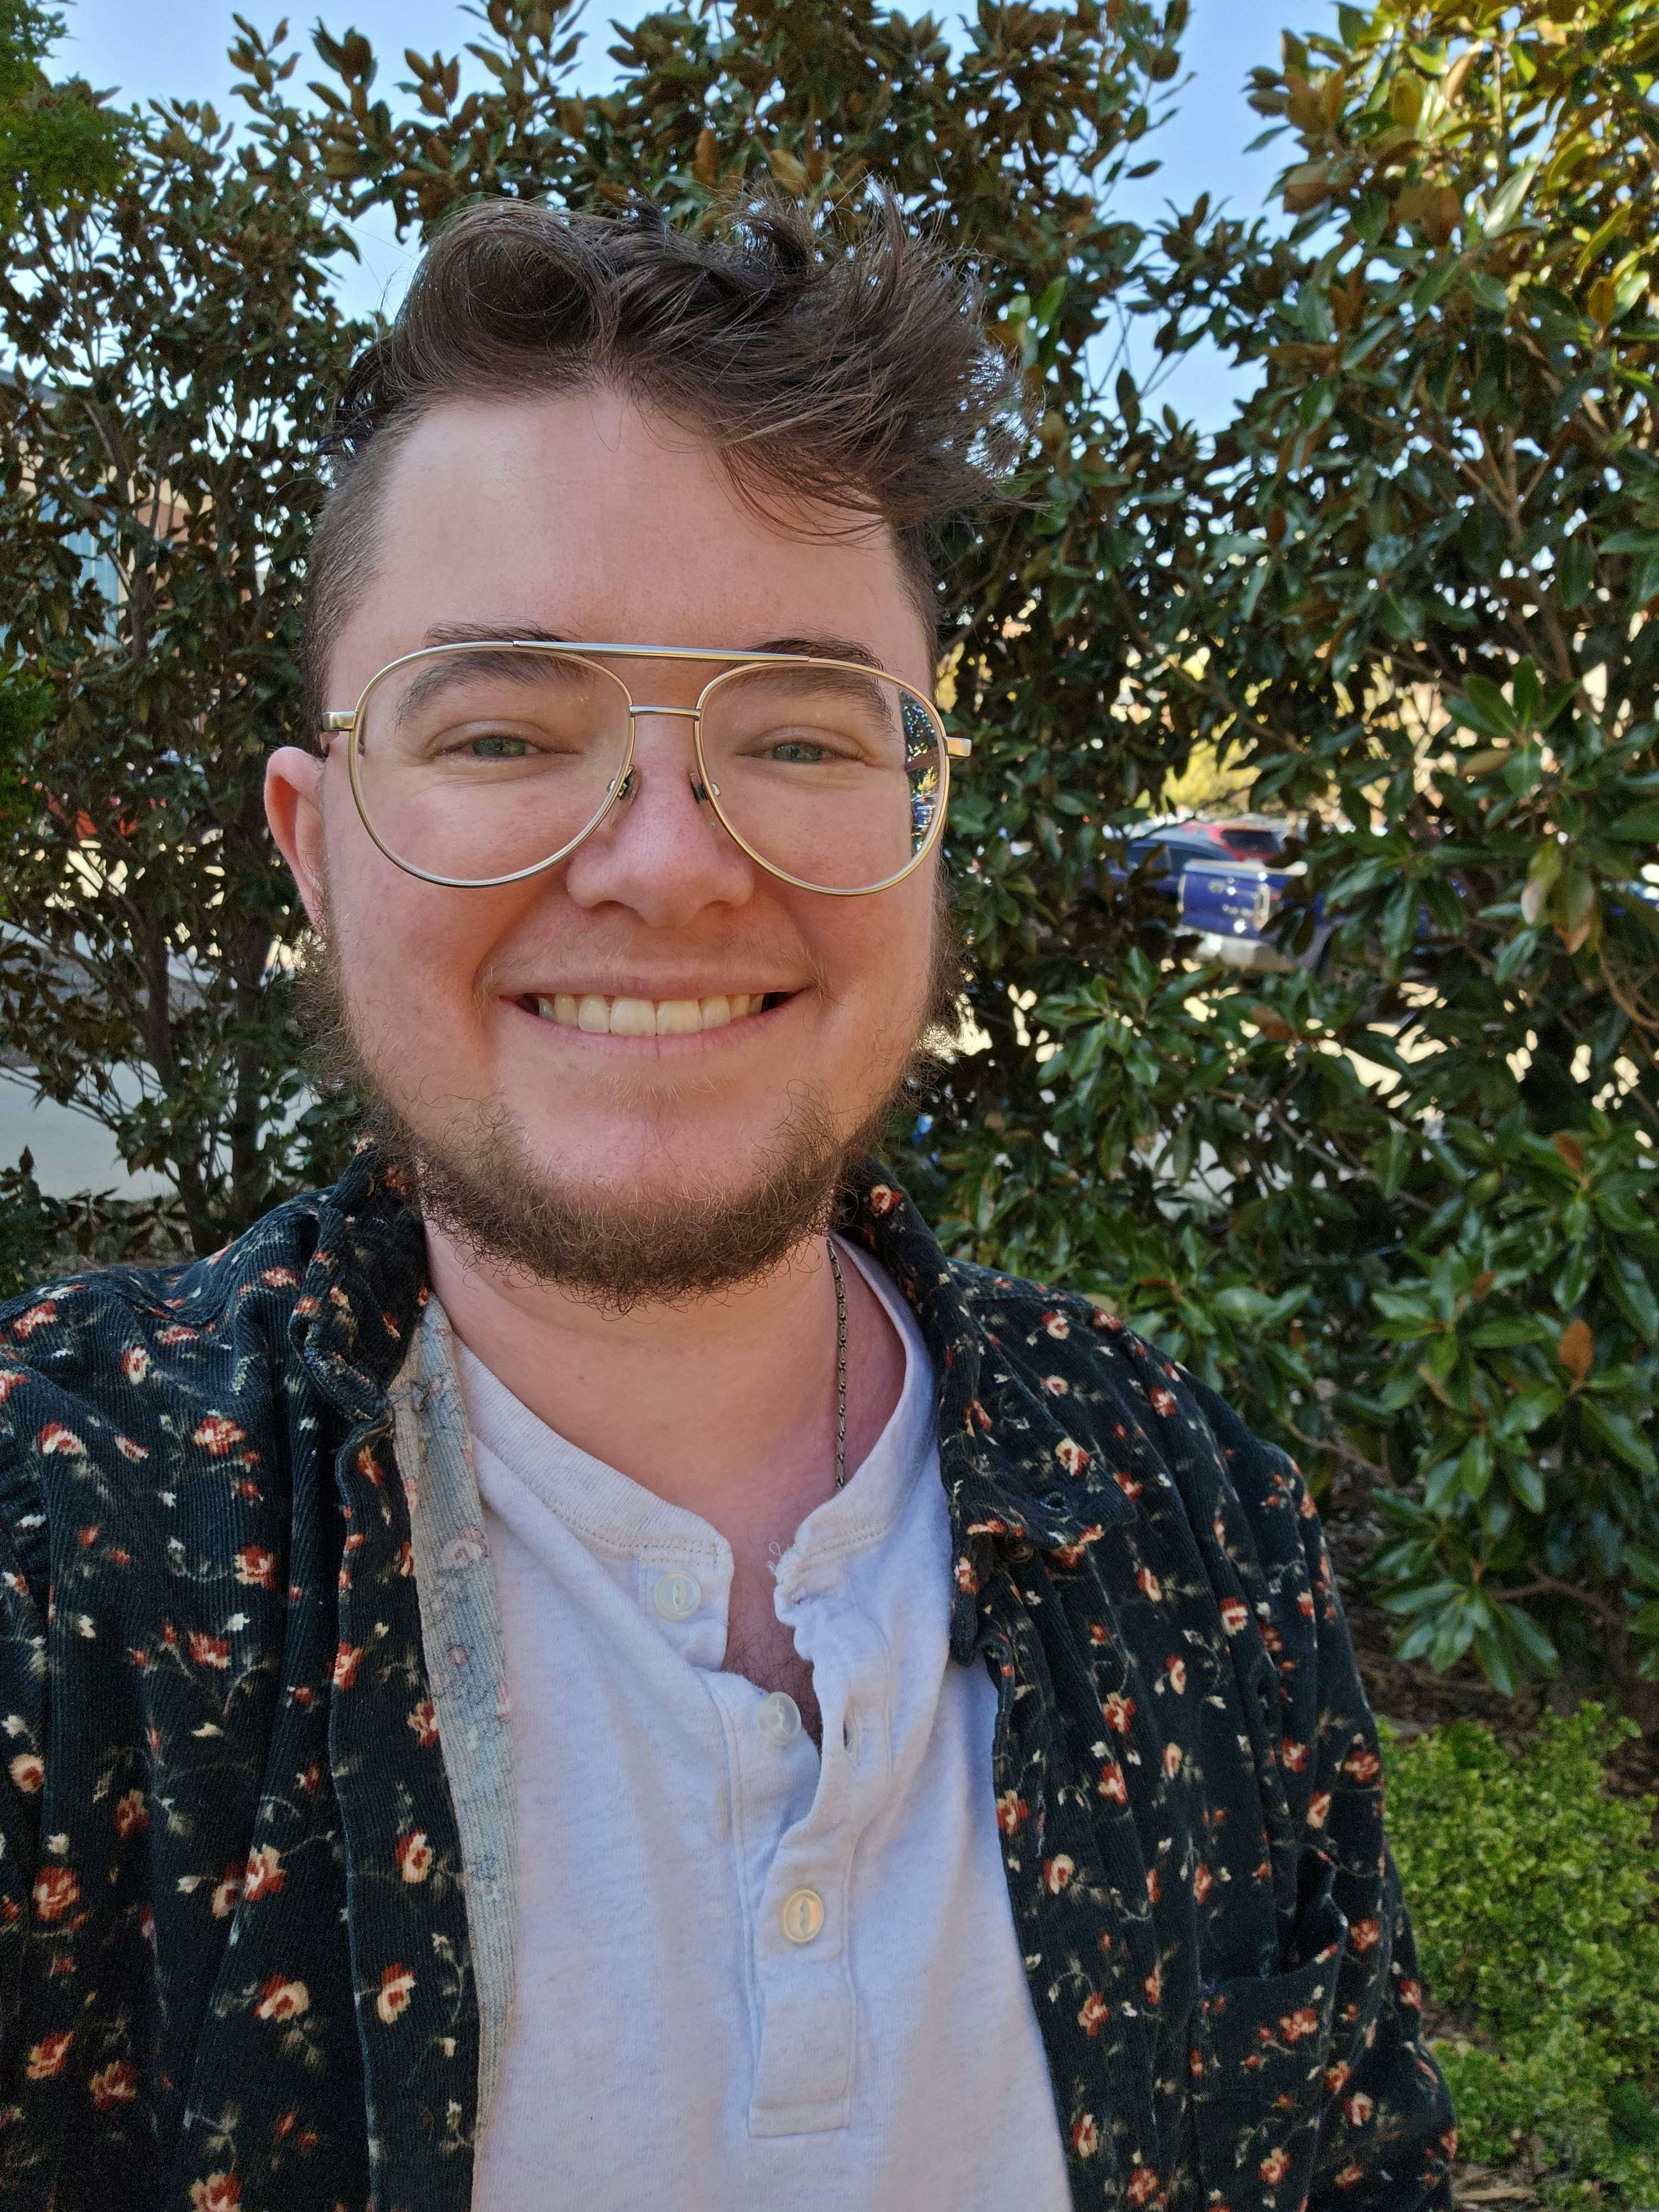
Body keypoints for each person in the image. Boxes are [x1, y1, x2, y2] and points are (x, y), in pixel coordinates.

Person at [0, 197, 1454, 2212]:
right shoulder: (69, 1533)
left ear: (929, 831)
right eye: (505, 731)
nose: (670, 865)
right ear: (316, 850)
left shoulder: (1187, 1515)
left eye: (797, 733)